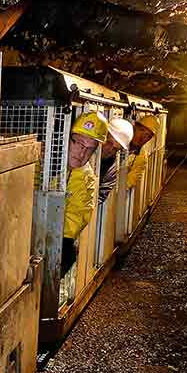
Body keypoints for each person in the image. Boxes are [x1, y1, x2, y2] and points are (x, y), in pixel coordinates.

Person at [61, 111, 108, 276]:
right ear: (68, 138)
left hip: (54, 240)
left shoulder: (87, 179)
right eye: (79, 143)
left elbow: (74, 221)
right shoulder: (44, 160)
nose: (82, 154)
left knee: (67, 254)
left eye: (89, 149)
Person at [98, 117, 134, 203]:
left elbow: (101, 195)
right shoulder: (82, 146)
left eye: (115, 149)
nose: (109, 149)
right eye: (109, 142)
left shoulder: (112, 170)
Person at [126, 114, 159, 190]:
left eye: (148, 135)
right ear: (135, 127)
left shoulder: (141, 159)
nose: (143, 137)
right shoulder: (118, 140)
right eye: (142, 130)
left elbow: (127, 183)